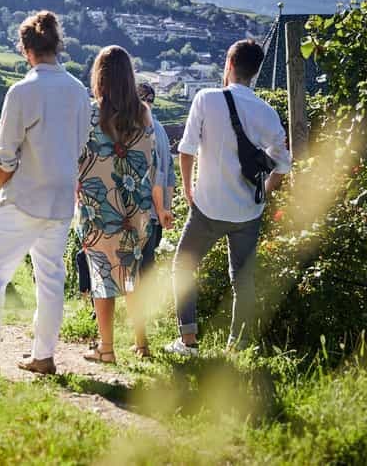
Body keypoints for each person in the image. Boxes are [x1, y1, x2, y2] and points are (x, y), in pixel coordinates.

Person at [0, 11, 91, 374]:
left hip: (24, 196)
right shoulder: (78, 91)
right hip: (60, 201)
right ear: (57, 46)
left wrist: (6, 184)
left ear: (25, 50)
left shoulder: (22, 90)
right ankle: (43, 356)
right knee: (51, 279)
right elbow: (82, 144)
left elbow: (5, 153)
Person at [165, 39, 291, 356]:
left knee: (183, 268)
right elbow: (283, 164)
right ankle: (238, 347)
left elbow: (186, 149)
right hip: (247, 212)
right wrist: (263, 195)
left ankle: (188, 341)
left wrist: (187, 189)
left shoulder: (206, 99)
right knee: (242, 280)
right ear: (255, 72)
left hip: (207, 207)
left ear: (229, 64)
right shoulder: (267, 112)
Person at [77, 46, 167, 364]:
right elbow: (151, 161)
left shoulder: (89, 113)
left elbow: (78, 158)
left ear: (99, 77)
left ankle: (106, 348)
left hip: (97, 209)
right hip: (134, 210)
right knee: (131, 276)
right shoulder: (143, 113)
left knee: (103, 275)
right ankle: (141, 345)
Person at [131, 82, 176, 357]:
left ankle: (140, 341)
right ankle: (141, 337)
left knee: (132, 277)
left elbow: (157, 176)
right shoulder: (160, 129)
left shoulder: (139, 128)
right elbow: (169, 175)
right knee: (145, 274)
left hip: (138, 212)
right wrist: (165, 212)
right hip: (155, 215)